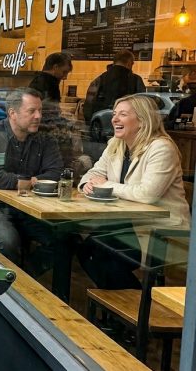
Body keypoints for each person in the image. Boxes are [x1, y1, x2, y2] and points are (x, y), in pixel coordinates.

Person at [78, 94, 191, 289]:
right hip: (126, 223)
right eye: (114, 114)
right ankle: (127, 307)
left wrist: (105, 185)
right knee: (85, 248)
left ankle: (137, 307)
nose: (114, 119)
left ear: (142, 120)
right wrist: (87, 184)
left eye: (123, 114)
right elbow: (94, 173)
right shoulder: (116, 144)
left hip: (161, 232)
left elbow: (147, 194)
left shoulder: (161, 148)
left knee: (101, 252)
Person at [0, 88, 64, 271]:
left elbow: (55, 173)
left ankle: (26, 281)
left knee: (64, 240)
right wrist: (35, 181)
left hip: (28, 209)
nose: (38, 116)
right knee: (8, 241)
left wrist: (25, 182)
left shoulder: (44, 138)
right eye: (31, 111)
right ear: (12, 113)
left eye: (40, 111)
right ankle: (8, 291)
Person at [83, 50, 146, 122]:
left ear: (114, 62)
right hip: (127, 124)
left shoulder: (99, 79)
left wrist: (92, 124)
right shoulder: (136, 80)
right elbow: (142, 106)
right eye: (132, 64)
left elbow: (89, 104)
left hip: (102, 123)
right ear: (129, 63)